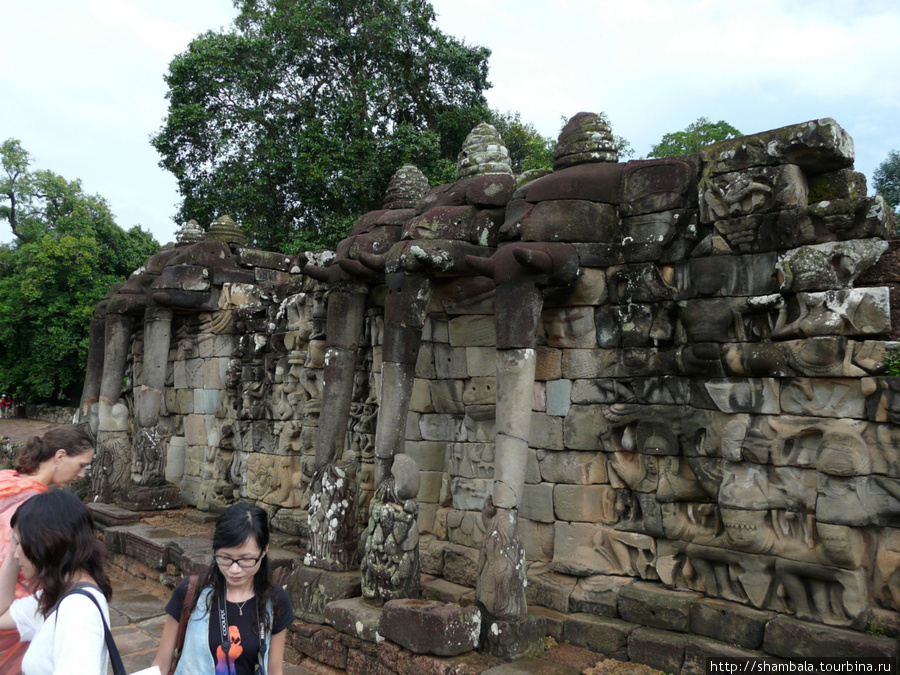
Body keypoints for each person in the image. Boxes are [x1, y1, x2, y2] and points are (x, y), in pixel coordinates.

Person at [152, 502, 294, 675]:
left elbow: (274, 671)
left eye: (245, 559)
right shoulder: (191, 592)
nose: (234, 569)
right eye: (225, 558)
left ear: (264, 551)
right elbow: (161, 663)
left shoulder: (276, 600)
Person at [0, 424, 95, 673]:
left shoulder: (7, 480)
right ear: (60, 456)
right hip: (14, 610)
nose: (82, 474)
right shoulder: (33, 505)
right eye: (81, 465)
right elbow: (23, 566)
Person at [0, 490, 114, 675]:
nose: (14, 553)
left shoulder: (78, 610)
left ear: (45, 545)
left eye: (20, 544)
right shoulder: (58, 595)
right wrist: (15, 549)